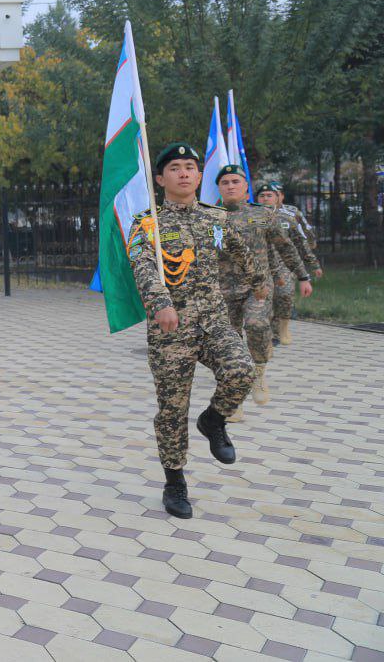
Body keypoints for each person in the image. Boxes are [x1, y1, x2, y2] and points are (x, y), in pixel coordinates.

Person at [126, 144, 266, 521]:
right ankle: (174, 482)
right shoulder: (147, 223)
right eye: (175, 168)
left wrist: (258, 279)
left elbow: (239, 249)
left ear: (200, 176)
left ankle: (214, 420)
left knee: (241, 371)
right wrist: (160, 302)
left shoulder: (215, 219)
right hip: (172, 329)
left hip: (214, 321)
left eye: (191, 167)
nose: (184, 173)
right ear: (161, 179)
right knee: (172, 411)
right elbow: (141, 264)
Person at [216, 167, 311, 421]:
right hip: (223, 291)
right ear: (219, 188)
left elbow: (285, 247)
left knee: (257, 325)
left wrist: (303, 275)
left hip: (257, 288)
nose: (230, 186)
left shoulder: (262, 215)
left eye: (236, 181)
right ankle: (234, 402)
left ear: (246, 187)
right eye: (225, 182)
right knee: (230, 346)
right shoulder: (209, 216)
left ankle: (259, 372)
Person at [256, 181, 322, 345]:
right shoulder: (251, 217)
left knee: (284, 294)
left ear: (278, 198)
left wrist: (313, 265)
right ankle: (268, 335)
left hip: (284, 263)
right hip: (260, 265)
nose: (265, 199)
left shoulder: (288, 217)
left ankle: (282, 326)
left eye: (269, 195)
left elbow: (301, 242)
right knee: (263, 301)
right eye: (262, 196)